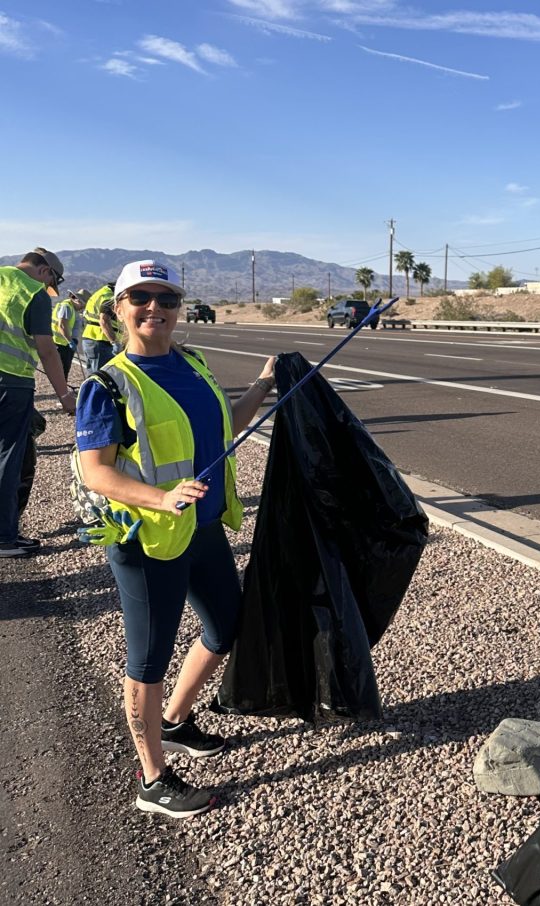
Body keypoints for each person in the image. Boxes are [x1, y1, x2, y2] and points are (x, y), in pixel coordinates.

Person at [75, 260, 276, 818]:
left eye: (166, 300)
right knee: (147, 659)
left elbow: (223, 428)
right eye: (140, 299)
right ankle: (153, 779)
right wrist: (160, 497)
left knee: (227, 626)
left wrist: (262, 385)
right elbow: (97, 472)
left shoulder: (194, 363)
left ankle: (175, 720)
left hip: (203, 527)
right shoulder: (106, 385)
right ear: (118, 310)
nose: (154, 309)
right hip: (148, 541)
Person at [0, 248, 76, 558]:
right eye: (50, 282)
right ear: (44, 271)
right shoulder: (34, 294)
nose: (49, 289)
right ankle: (4, 537)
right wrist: (65, 396)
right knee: (8, 459)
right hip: (11, 385)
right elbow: (47, 351)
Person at [81, 281, 118, 371]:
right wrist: (114, 342)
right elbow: (104, 321)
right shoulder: (110, 297)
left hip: (91, 340)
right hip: (102, 341)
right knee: (101, 375)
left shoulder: (100, 293)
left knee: (93, 373)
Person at [51, 288, 80, 379]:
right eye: (83, 303)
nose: (83, 306)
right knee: (63, 370)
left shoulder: (70, 307)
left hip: (64, 342)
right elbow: (62, 326)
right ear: (77, 301)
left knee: (63, 370)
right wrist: (70, 341)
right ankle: (62, 391)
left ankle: (62, 389)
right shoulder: (66, 307)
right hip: (62, 343)